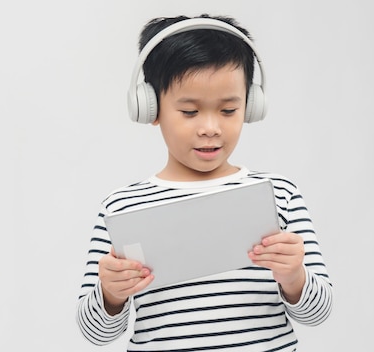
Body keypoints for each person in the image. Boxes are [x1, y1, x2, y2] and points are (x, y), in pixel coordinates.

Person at [77, 14, 333, 351]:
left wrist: (294, 277)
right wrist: (110, 294)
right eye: (189, 112)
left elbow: (318, 313)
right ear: (149, 107)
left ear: (251, 106)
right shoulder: (122, 208)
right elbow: (96, 333)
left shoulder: (279, 195)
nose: (210, 127)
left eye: (228, 111)